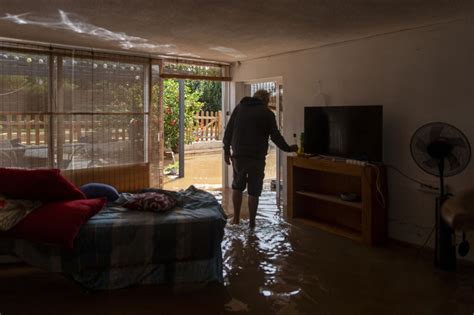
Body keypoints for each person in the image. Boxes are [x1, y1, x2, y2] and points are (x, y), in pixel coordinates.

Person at [223, 89, 298, 228]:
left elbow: (228, 131)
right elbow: (275, 136)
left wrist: (226, 151)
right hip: (256, 158)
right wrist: (288, 148)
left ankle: (236, 220)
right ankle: (252, 223)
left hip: (239, 156)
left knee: (237, 187)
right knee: (254, 191)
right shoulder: (267, 113)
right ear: (266, 101)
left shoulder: (239, 108)